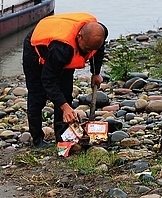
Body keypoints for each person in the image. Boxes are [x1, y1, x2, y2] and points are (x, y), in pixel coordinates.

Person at [22, 12, 108, 148]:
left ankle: (62, 137)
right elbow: (48, 80)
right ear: (79, 36)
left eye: (91, 49)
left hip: (64, 50)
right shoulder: (62, 48)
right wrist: (65, 106)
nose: (87, 52)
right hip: (35, 49)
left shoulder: (98, 33)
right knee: (37, 95)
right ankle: (37, 139)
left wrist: (96, 73)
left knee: (66, 91)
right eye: (86, 48)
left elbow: (97, 51)